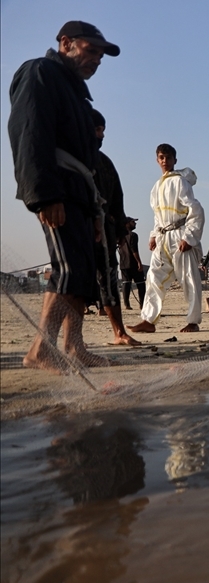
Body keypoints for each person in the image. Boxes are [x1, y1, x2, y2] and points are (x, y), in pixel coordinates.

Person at [8, 21, 120, 372]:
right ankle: (42, 348)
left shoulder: (78, 93)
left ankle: (75, 346)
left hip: (81, 192)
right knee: (68, 269)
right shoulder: (40, 72)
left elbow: (88, 159)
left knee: (84, 274)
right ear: (66, 43)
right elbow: (29, 132)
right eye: (92, 51)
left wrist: (97, 214)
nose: (97, 61)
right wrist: (44, 194)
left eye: (101, 57)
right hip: (57, 187)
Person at [129, 144, 205, 333]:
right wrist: (154, 235)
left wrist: (189, 237)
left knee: (189, 278)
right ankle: (148, 319)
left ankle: (193, 321)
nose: (165, 161)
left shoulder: (180, 181)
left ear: (174, 160)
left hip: (180, 236)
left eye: (168, 158)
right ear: (157, 160)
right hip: (163, 238)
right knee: (153, 277)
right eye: (161, 157)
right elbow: (157, 216)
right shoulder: (156, 187)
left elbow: (195, 210)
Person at [90, 108, 140, 346]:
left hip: (106, 234)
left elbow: (117, 200)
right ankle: (71, 340)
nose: (102, 136)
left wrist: (120, 229)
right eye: (97, 130)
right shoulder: (70, 159)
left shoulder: (104, 162)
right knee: (75, 284)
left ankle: (119, 332)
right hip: (79, 233)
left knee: (109, 281)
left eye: (103, 130)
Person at [118, 217, 145, 310]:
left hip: (123, 263)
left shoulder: (119, 236)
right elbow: (134, 250)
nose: (135, 224)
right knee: (141, 283)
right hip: (133, 263)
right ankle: (142, 304)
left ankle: (127, 305)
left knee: (126, 283)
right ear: (127, 224)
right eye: (133, 222)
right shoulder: (133, 235)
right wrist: (139, 262)